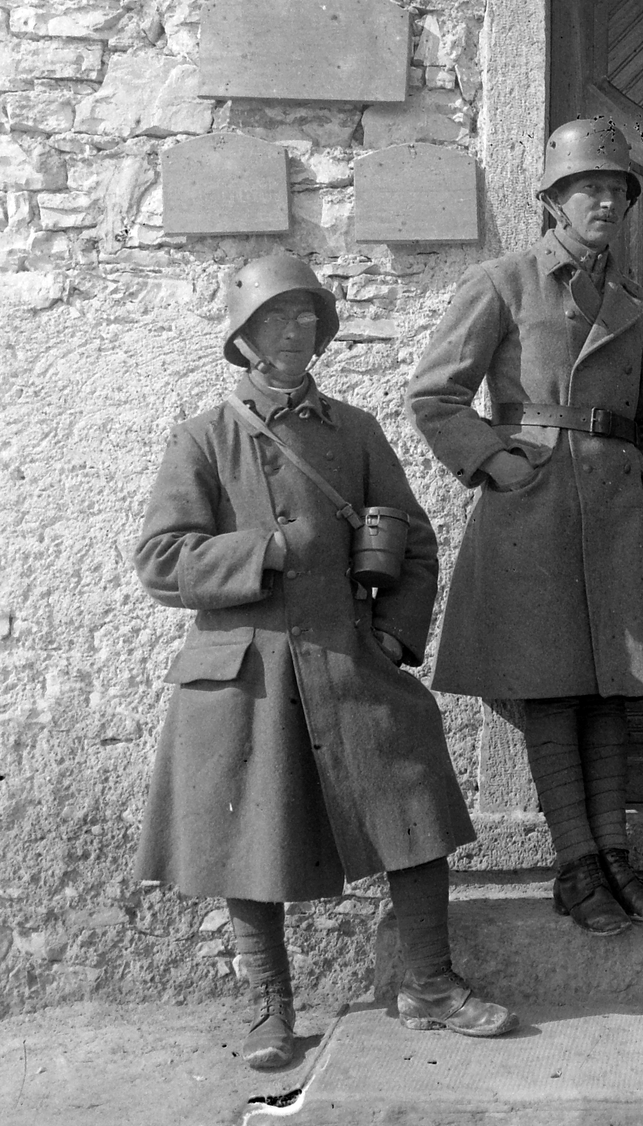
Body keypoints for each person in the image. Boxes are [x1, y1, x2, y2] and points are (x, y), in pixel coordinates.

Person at [134, 254, 517, 1072]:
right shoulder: (205, 437)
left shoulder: (356, 431)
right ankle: (271, 1007)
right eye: (279, 319)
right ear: (244, 338)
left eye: (309, 317)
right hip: (249, 669)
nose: (297, 331)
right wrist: (265, 551)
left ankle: (431, 983)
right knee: (252, 833)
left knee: (412, 796)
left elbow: (413, 537)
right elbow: (162, 560)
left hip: (347, 652)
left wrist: (393, 636)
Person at [408, 118, 643, 937]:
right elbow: (434, 395)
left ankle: (615, 856)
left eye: (615, 190)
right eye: (586, 188)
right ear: (553, 201)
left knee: (609, 692)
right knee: (548, 687)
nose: (603, 200)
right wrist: (497, 463)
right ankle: (576, 862)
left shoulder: (633, 307)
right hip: (530, 513)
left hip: (611, 518)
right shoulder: (505, 281)